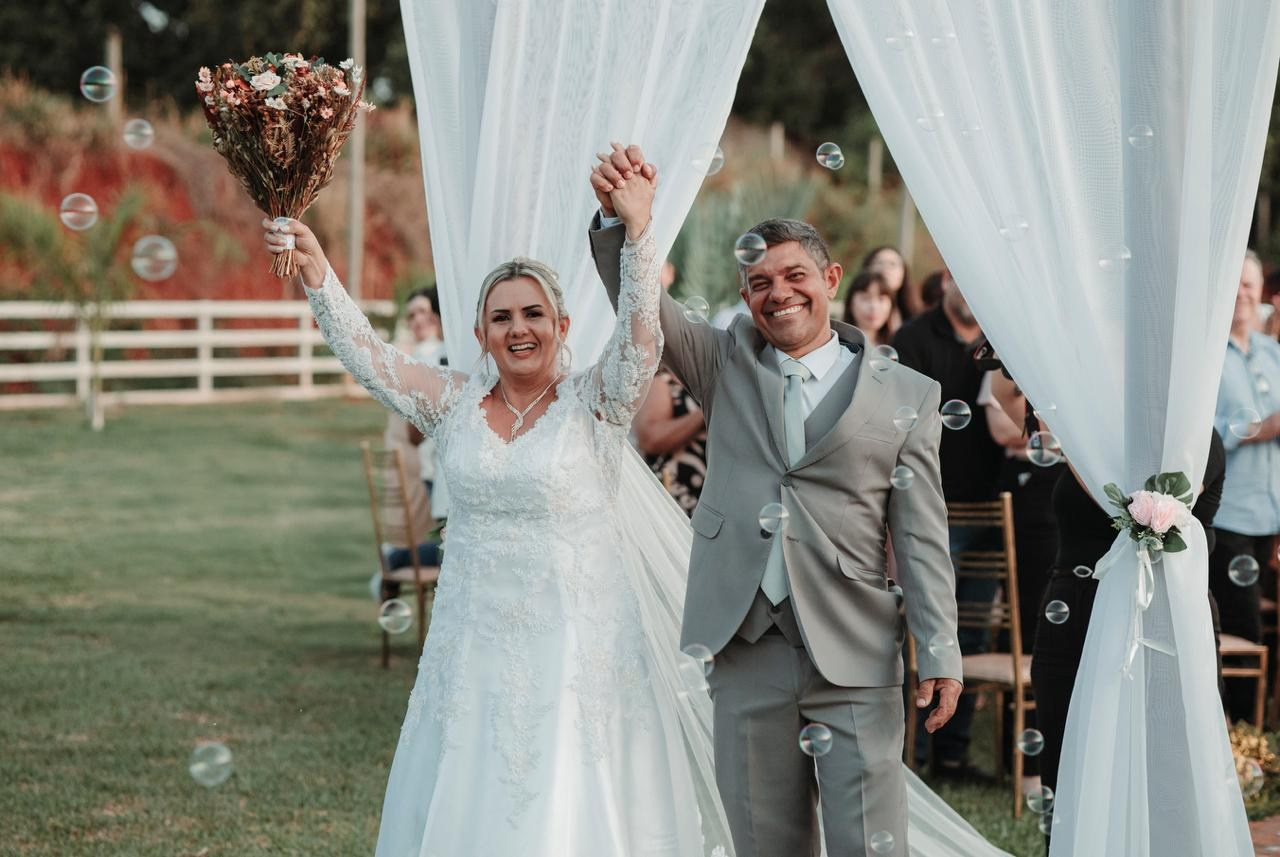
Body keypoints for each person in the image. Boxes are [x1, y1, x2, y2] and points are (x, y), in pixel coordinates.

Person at [262, 169, 736, 855]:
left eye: (534, 314)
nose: (519, 329)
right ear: (480, 333)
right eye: (502, 317)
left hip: (581, 647)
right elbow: (371, 360)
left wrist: (637, 231)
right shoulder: (452, 404)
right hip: (473, 643)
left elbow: (642, 344)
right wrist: (317, 273)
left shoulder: (594, 402)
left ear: (562, 325)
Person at [591, 142, 964, 857]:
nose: (777, 291)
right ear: (744, 295)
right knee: (763, 843)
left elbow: (919, 536)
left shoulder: (908, 396)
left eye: (795, 275)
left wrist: (940, 646)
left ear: (829, 279)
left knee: (869, 846)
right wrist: (624, 223)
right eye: (758, 281)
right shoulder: (721, 363)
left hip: (856, 649)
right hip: (745, 646)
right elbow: (639, 300)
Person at [893, 269, 1006, 780]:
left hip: (992, 506)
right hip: (931, 509)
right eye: (963, 281)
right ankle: (914, 753)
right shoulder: (913, 340)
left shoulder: (1004, 341)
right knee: (923, 629)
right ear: (944, 283)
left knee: (977, 632)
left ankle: (955, 754)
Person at [1211, 249, 1280, 722]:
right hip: (1231, 513)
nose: (1240, 295)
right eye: (1232, 287)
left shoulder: (1274, 353)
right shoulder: (1208, 356)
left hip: (1273, 515)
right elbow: (1199, 432)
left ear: (1261, 295)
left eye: (1248, 287)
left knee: (1267, 637)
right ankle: (1236, 734)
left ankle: (1258, 733)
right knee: (1240, 627)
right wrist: (1258, 429)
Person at [635, 258, 708, 515]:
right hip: (672, 498)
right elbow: (650, 438)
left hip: (708, 499)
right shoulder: (658, 376)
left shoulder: (704, 372)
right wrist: (704, 413)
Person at [862, 244, 917, 324]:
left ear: (904, 272)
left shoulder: (915, 316)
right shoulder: (858, 310)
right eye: (879, 263)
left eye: (892, 264)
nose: (886, 268)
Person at [842, 269, 897, 346]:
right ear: (850, 303)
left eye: (881, 299)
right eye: (865, 298)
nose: (874, 307)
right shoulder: (837, 345)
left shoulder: (899, 345)